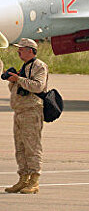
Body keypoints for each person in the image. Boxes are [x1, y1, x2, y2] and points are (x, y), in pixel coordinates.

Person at [4, 38, 48, 194]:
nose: (18, 51)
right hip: (19, 111)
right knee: (20, 147)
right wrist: (13, 80)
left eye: (21, 49)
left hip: (31, 111)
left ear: (31, 50)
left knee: (32, 147)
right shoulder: (24, 67)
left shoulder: (39, 66)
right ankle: (23, 179)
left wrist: (19, 79)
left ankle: (34, 180)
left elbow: (38, 86)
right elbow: (16, 90)